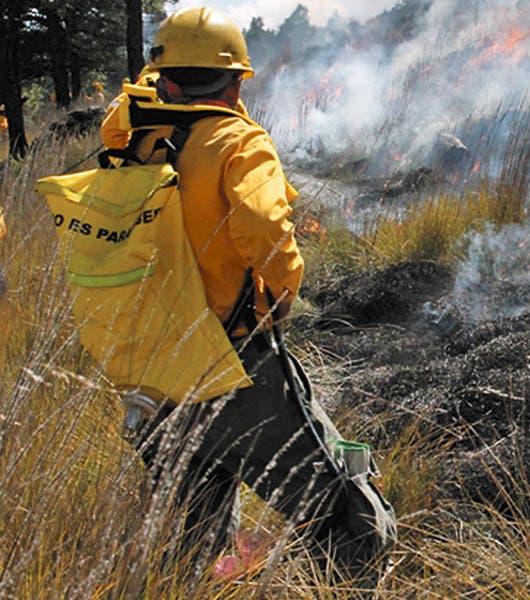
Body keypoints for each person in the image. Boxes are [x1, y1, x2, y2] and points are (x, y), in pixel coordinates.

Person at [100, 6, 395, 586]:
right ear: (235, 83)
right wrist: (281, 298)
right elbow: (264, 230)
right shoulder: (238, 142)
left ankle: (187, 587)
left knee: (194, 514)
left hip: (148, 363)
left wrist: (149, 88)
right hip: (229, 359)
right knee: (343, 503)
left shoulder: (135, 139)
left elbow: (119, 118)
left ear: (167, 80)